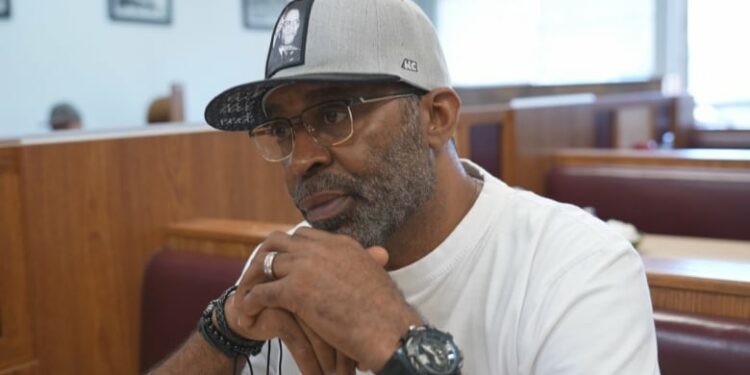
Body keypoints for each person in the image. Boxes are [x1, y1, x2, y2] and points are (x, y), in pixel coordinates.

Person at [151, 0, 660, 374]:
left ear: (436, 117)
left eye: (334, 114)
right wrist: (227, 328)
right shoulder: (291, 272)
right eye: (283, 131)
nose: (300, 160)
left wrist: (400, 344)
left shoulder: (576, 267)